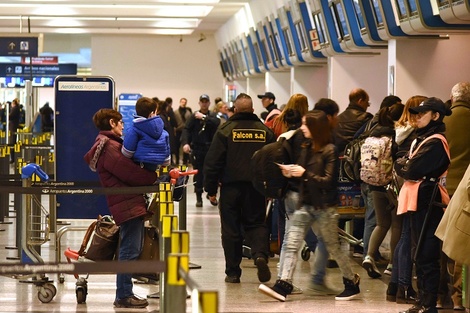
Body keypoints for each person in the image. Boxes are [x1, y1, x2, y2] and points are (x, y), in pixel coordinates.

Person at [259, 110, 360, 302]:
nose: (302, 127)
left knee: (333, 246)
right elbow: (304, 174)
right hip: (305, 204)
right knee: (291, 244)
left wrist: (303, 173)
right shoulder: (306, 146)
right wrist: (291, 173)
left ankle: (351, 283)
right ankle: (283, 284)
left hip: (324, 208)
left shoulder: (330, 150)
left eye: (306, 124)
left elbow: (327, 181)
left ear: (315, 127)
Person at [84, 108, 159, 309]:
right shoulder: (108, 147)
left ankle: (125, 292)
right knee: (129, 249)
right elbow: (130, 173)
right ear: (111, 123)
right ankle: (124, 295)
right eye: (120, 122)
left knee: (131, 248)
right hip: (127, 202)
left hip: (127, 201)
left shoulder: (109, 144)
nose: (123, 126)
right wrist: (153, 177)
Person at [203, 93, 276, 283]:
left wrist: (210, 189)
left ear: (235, 110)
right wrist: (271, 188)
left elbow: (212, 162)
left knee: (230, 229)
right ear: (252, 110)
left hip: (230, 189)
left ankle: (233, 272)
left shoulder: (226, 130)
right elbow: (274, 160)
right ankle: (260, 255)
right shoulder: (265, 132)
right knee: (257, 224)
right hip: (256, 189)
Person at [395, 97, 452, 313]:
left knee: (426, 253)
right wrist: (405, 165)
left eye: (422, 114)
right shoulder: (421, 139)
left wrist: (405, 166)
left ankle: (428, 304)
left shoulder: (435, 142)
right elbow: (401, 161)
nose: (417, 118)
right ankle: (422, 300)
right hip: (418, 199)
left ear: (435, 116)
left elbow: (410, 170)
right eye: (416, 113)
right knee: (417, 251)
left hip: (429, 200)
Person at [386, 95, 427, 304]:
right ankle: (404, 286)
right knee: (408, 237)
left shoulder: (399, 132)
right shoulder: (415, 135)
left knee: (403, 234)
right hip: (412, 187)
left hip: (398, 188)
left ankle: (395, 287)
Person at [435, 81, 470, 310]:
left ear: (452, 97)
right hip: (464, 188)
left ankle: (440, 294)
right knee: (461, 240)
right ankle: (459, 296)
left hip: (442, 187)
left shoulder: (442, 120)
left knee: (440, 241)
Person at [361, 98, 405, 278]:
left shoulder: (372, 133)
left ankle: (369, 256)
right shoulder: (396, 137)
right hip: (391, 186)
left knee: (381, 223)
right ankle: (392, 264)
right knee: (396, 225)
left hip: (374, 185)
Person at [181, 94, 220, 207]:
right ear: (199, 103)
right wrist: (185, 143)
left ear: (209, 103)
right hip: (197, 149)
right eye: (202, 101)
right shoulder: (193, 116)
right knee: (198, 174)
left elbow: (216, 123)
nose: (204, 103)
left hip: (210, 149)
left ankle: (211, 193)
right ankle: (199, 196)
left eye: (206, 101)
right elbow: (186, 130)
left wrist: (203, 117)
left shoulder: (212, 116)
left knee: (210, 173)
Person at [121, 97, 170, 171]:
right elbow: (166, 160)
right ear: (152, 113)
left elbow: (127, 153)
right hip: (154, 169)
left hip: (138, 168)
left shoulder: (134, 129)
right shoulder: (163, 132)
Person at [174, 97, 193, 165]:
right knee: (177, 147)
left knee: (185, 147)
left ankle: (185, 162)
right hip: (178, 131)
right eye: (182, 102)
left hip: (186, 132)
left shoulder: (188, 112)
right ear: (180, 102)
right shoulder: (175, 112)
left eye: (185, 102)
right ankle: (177, 161)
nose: (183, 103)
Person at [8, 98, 21, 164]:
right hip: (14, 127)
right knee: (12, 142)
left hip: (12, 127)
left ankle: (12, 158)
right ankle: (12, 158)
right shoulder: (17, 109)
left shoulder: (14, 109)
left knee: (12, 143)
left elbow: (10, 117)